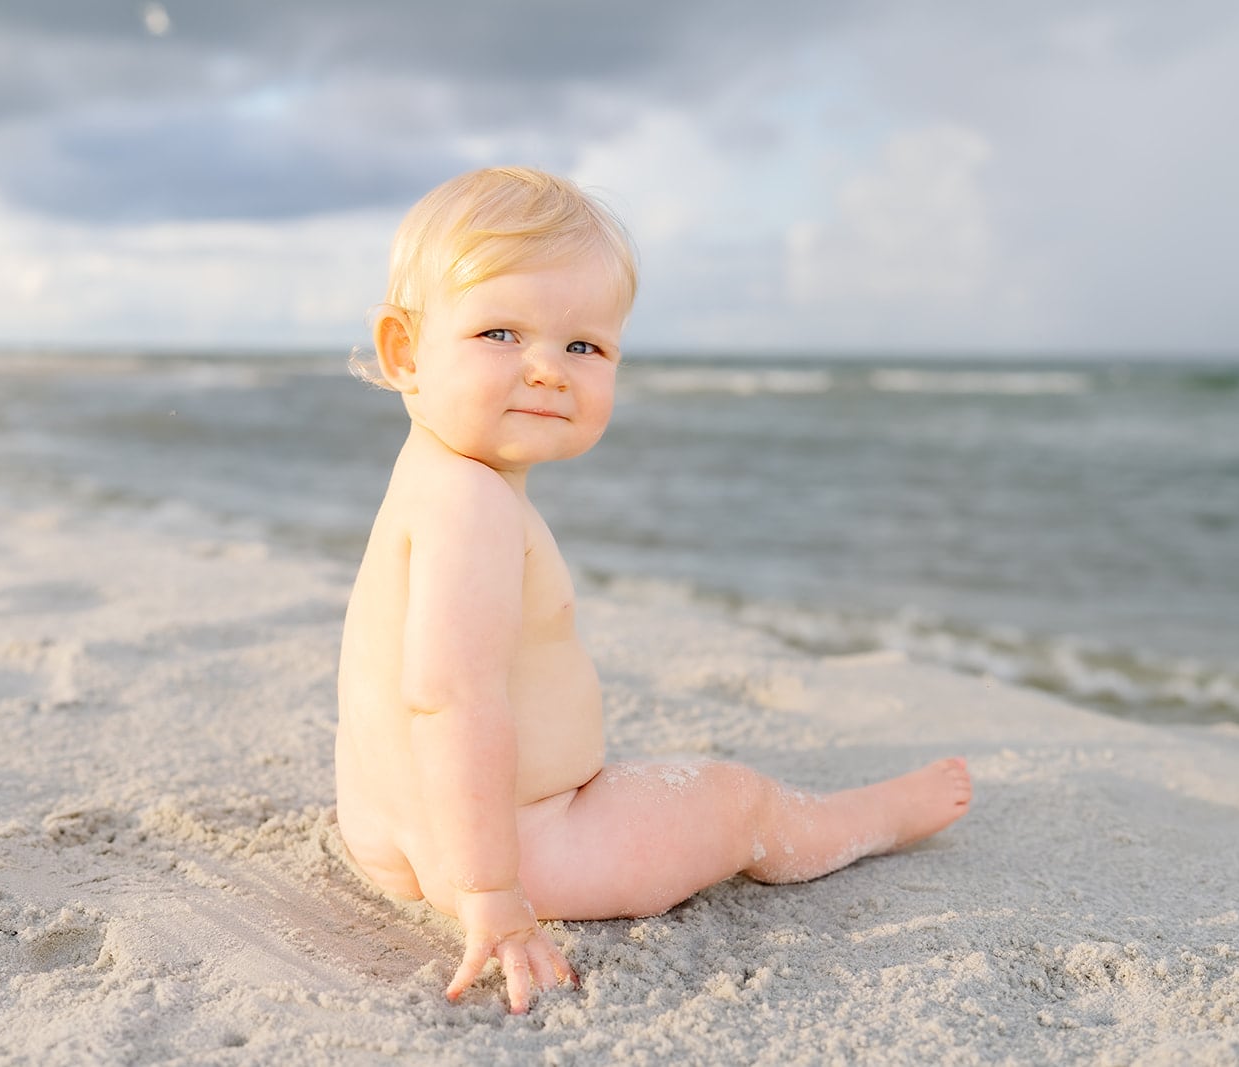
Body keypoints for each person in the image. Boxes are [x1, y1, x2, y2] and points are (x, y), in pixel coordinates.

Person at [334, 166, 972, 1014]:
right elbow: (451, 699)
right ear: (404, 351)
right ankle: (865, 819)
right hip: (518, 848)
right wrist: (491, 890)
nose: (548, 369)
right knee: (736, 802)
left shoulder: (430, 476)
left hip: (391, 833)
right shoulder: (474, 507)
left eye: (583, 347)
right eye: (500, 332)